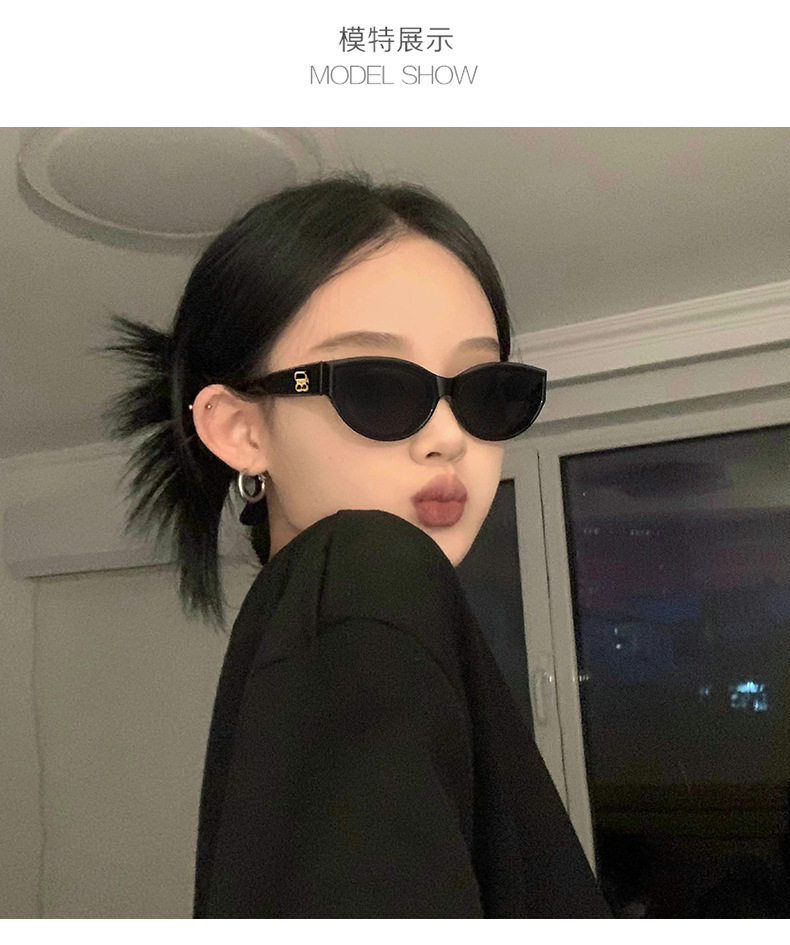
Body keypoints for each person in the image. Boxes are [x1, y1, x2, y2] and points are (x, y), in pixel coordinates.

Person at [99, 174, 611, 918]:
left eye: (483, 389)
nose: (448, 438)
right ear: (241, 428)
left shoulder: (339, 626)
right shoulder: (366, 572)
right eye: (378, 386)